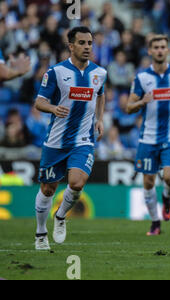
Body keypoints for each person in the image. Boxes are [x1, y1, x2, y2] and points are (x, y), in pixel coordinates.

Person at [33, 27, 107, 250]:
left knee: (77, 182)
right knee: (48, 189)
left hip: (82, 140)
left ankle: (61, 215)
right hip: (55, 142)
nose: (87, 47)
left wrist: (100, 119)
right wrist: (54, 108)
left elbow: (101, 94)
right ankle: (40, 233)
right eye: (82, 43)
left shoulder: (99, 73)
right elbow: (39, 102)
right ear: (71, 46)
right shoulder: (55, 72)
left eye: (90, 43)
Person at [126, 35, 170, 236]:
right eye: (155, 47)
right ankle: (155, 222)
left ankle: (167, 197)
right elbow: (129, 107)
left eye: (163, 47)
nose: (159, 50)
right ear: (149, 51)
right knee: (148, 183)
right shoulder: (141, 78)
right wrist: (142, 102)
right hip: (147, 137)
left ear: (168, 50)